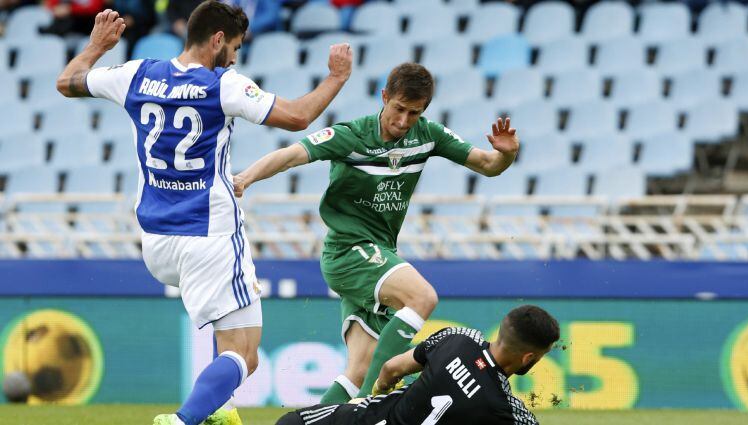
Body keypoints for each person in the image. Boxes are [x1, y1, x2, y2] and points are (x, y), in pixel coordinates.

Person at [55, 2, 352, 424]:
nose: (233, 57)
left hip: (157, 242)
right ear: (216, 40)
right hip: (209, 234)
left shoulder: (137, 74)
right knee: (244, 356)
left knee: (229, 340)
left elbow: (67, 82)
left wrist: (97, 46)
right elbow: (299, 116)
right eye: (233, 46)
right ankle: (181, 421)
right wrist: (337, 77)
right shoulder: (222, 85)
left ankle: (217, 413)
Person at [233, 62, 520, 402]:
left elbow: (488, 165)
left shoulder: (428, 136)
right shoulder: (351, 135)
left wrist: (507, 156)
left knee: (357, 370)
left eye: (413, 113)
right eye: (398, 108)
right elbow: (291, 155)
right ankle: (380, 390)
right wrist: (245, 178)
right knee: (422, 298)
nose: (403, 121)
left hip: (378, 255)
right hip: (348, 251)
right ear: (384, 97)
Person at [276, 304, 560, 425]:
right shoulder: (507, 410)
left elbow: (391, 369)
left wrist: (378, 392)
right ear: (529, 358)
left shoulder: (458, 338)